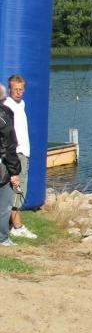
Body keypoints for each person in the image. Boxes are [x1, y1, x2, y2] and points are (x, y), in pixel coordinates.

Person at [4, 75, 36, 239]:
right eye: (15, 89)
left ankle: (11, 223)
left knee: (18, 188)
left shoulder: (21, 104)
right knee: (17, 189)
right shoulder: (7, 105)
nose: (18, 92)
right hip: (16, 153)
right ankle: (17, 226)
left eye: (21, 89)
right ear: (10, 89)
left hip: (24, 151)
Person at [0, 84, 22, 247]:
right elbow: (8, 147)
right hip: (2, 166)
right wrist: (14, 172)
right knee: (4, 203)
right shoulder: (3, 115)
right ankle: (2, 238)